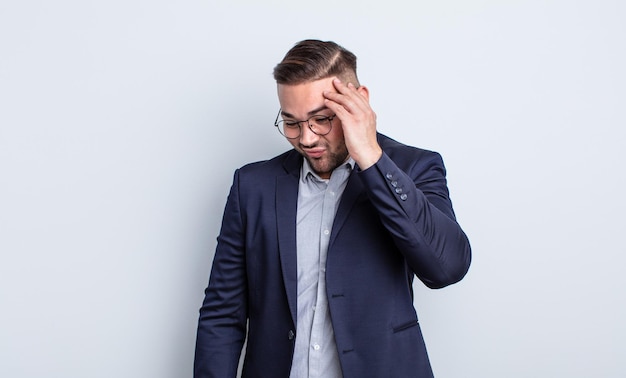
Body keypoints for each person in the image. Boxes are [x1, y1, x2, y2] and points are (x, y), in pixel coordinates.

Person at [194, 39, 471, 378]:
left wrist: (371, 156)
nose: (307, 139)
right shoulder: (253, 186)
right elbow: (222, 313)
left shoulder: (414, 168)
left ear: (359, 102)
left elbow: (447, 268)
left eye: (322, 119)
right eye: (291, 123)